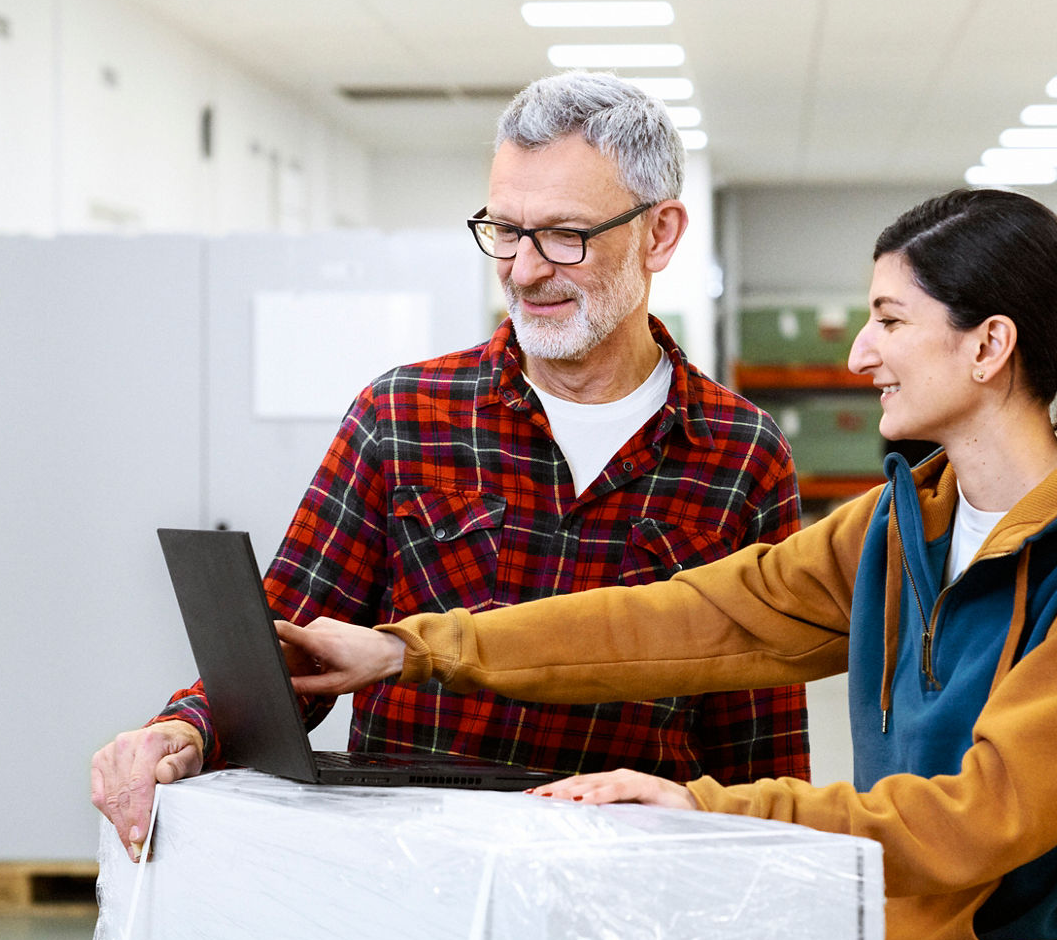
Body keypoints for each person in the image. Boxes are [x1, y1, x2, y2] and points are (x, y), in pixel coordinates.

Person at [285, 189, 1057, 940]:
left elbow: (981, 817)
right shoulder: (907, 528)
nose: (859, 353)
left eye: (891, 320)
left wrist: (711, 812)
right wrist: (412, 649)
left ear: (988, 347)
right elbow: (687, 618)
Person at [90, 71, 809, 857]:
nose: (525, 270)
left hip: (624, 882)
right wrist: (183, 729)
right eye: (504, 229)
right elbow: (284, 647)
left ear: (660, 234)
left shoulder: (739, 453)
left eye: (565, 235)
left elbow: (758, 736)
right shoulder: (403, 416)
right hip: (417, 874)